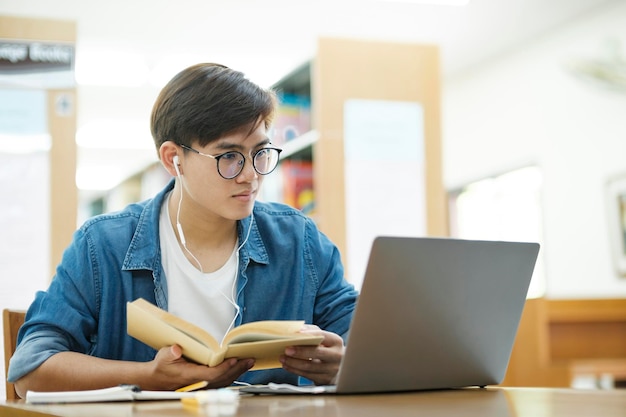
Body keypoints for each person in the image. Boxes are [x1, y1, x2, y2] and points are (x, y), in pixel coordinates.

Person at [8, 63, 358, 397]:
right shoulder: (103, 246)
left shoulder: (299, 241)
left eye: (260, 152)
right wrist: (147, 378)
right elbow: (30, 370)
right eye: (230, 156)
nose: (251, 174)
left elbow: (369, 343)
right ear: (173, 159)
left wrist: (342, 365)